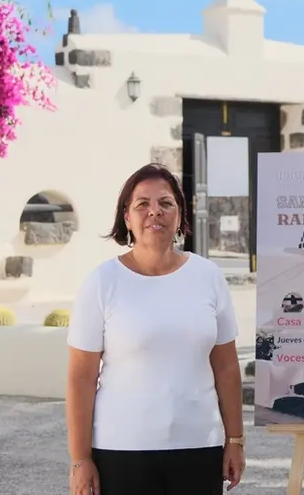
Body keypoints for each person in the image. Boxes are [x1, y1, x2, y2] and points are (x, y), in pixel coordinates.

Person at [65, 163, 246, 495]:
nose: (155, 212)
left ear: (179, 214)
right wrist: (80, 459)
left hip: (198, 448)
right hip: (121, 451)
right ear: (127, 217)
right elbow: (81, 377)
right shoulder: (103, 282)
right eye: (142, 204)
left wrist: (235, 440)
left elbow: (226, 367)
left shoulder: (208, 277)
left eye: (165, 203)